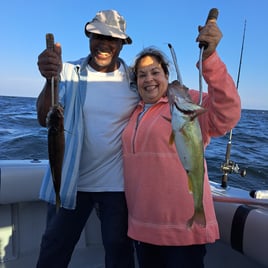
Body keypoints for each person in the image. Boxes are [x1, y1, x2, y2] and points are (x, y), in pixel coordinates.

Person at [122, 21, 241, 268]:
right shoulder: (133, 113)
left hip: (182, 228)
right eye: (142, 75)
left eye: (155, 72)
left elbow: (227, 113)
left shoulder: (189, 103)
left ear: (167, 75)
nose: (149, 79)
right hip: (142, 227)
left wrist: (210, 59)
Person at [35, 10, 140, 268]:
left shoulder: (135, 82)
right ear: (88, 35)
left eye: (112, 38)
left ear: (122, 44)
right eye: (97, 35)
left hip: (116, 188)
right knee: (54, 247)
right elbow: (42, 117)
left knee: (119, 253)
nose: (104, 43)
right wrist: (51, 79)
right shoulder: (67, 72)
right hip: (71, 183)